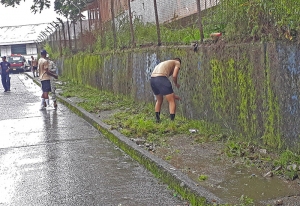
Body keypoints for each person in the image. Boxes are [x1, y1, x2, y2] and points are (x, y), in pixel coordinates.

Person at [150, 58, 181, 122]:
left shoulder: (164, 63)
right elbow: (174, 76)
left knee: (159, 100)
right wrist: (176, 83)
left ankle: (157, 119)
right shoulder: (177, 62)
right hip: (161, 78)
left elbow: (165, 91)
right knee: (171, 101)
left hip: (152, 79)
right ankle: (172, 121)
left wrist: (173, 95)